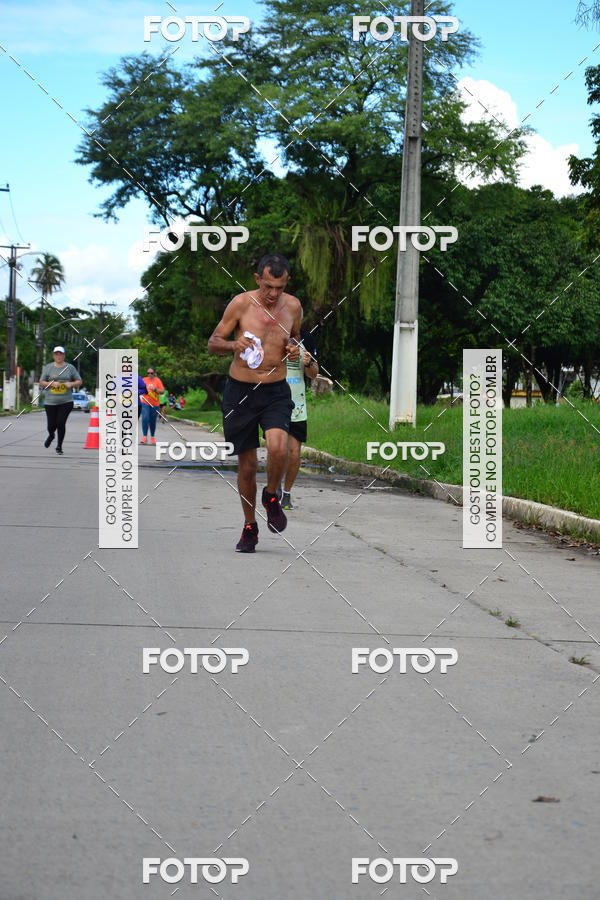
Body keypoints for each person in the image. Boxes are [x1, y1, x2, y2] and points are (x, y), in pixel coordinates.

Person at [207, 252, 301, 552]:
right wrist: (234, 344)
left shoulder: (293, 306)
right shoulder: (241, 304)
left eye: (280, 288)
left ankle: (271, 495)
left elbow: (295, 338)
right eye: (268, 286)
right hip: (240, 391)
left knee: (279, 447)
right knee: (247, 466)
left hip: (275, 390)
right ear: (258, 278)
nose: (273, 294)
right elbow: (213, 343)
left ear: (287, 283)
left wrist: (294, 348)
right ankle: (250, 526)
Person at [278, 327, 319, 509]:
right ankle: (275, 486)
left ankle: (286, 494)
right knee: (277, 450)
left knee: (294, 453)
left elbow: (314, 374)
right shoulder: (274, 333)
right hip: (275, 402)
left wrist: (309, 363)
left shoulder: (307, 338)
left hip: (297, 405)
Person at [39, 346, 82, 455]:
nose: (58, 356)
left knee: (61, 422)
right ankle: (51, 435)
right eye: (56, 354)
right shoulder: (48, 367)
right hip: (50, 402)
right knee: (51, 425)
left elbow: (79, 381)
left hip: (66, 401)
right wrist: (52, 383)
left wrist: (71, 384)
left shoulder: (70, 367)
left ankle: (59, 446)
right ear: (53, 355)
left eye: (60, 354)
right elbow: (42, 382)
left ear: (64, 355)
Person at [140, 366, 165, 445]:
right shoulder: (144, 380)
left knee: (152, 421)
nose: (149, 374)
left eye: (151, 373)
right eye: (148, 373)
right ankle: (144, 436)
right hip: (145, 402)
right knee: (145, 418)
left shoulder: (157, 380)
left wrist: (155, 389)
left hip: (155, 404)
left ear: (154, 373)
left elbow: (162, 391)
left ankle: (152, 437)